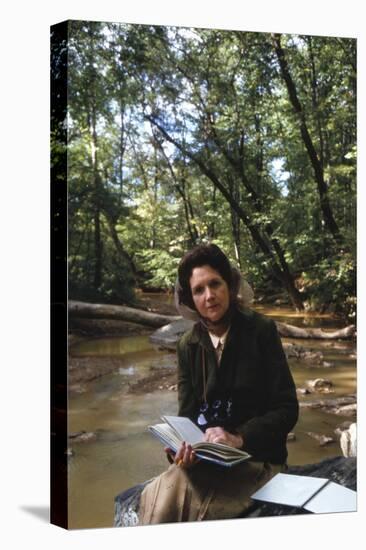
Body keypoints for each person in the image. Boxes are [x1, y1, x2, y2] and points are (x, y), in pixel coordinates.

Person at [138, 243, 299, 524]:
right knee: (159, 494)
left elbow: (287, 409)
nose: (209, 296)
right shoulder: (187, 345)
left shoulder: (261, 331)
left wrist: (239, 438)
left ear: (230, 285)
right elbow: (187, 417)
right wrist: (181, 450)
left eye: (215, 284)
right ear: (190, 298)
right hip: (207, 463)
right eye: (199, 290)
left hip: (258, 462)